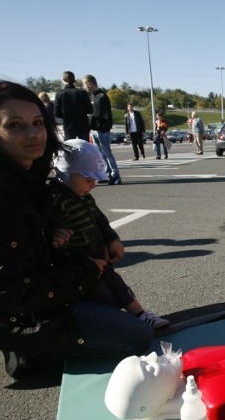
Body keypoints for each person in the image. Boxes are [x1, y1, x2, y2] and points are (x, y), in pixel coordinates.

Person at [0, 80, 153, 379]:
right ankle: (32, 351)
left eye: (38, 122)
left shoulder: (5, 177)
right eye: (15, 125)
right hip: (17, 315)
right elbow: (18, 295)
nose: (33, 134)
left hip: (13, 299)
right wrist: (88, 268)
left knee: (110, 310)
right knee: (137, 338)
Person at [49, 139, 170, 329]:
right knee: (104, 299)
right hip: (80, 267)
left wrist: (112, 239)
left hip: (100, 258)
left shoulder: (84, 197)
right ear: (64, 173)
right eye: (88, 179)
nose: (93, 185)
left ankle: (140, 315)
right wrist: (55, 236)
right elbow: (47, 231)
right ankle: (118, 325)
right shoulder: (55, 201)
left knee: (120, 289)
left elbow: (101, 221)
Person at [83, 74, 121, 185]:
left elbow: (106, 115)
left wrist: (104, 127)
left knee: (107, 153)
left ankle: (116, 176)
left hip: (102, 130)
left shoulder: (102, 96)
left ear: (90, 84)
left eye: (84, 84)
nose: (84, 87)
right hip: (95, 129)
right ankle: (106, 174)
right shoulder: (92, 97)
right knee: (100, 154)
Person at [54, 70, 92, 141]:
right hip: (83, 125)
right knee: (85, 148)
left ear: (63, 80)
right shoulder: (82, 92)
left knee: (69, 148)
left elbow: (57, 113)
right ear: (74, 80)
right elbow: (90, 110)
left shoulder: (60, 94)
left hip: (69, 125)